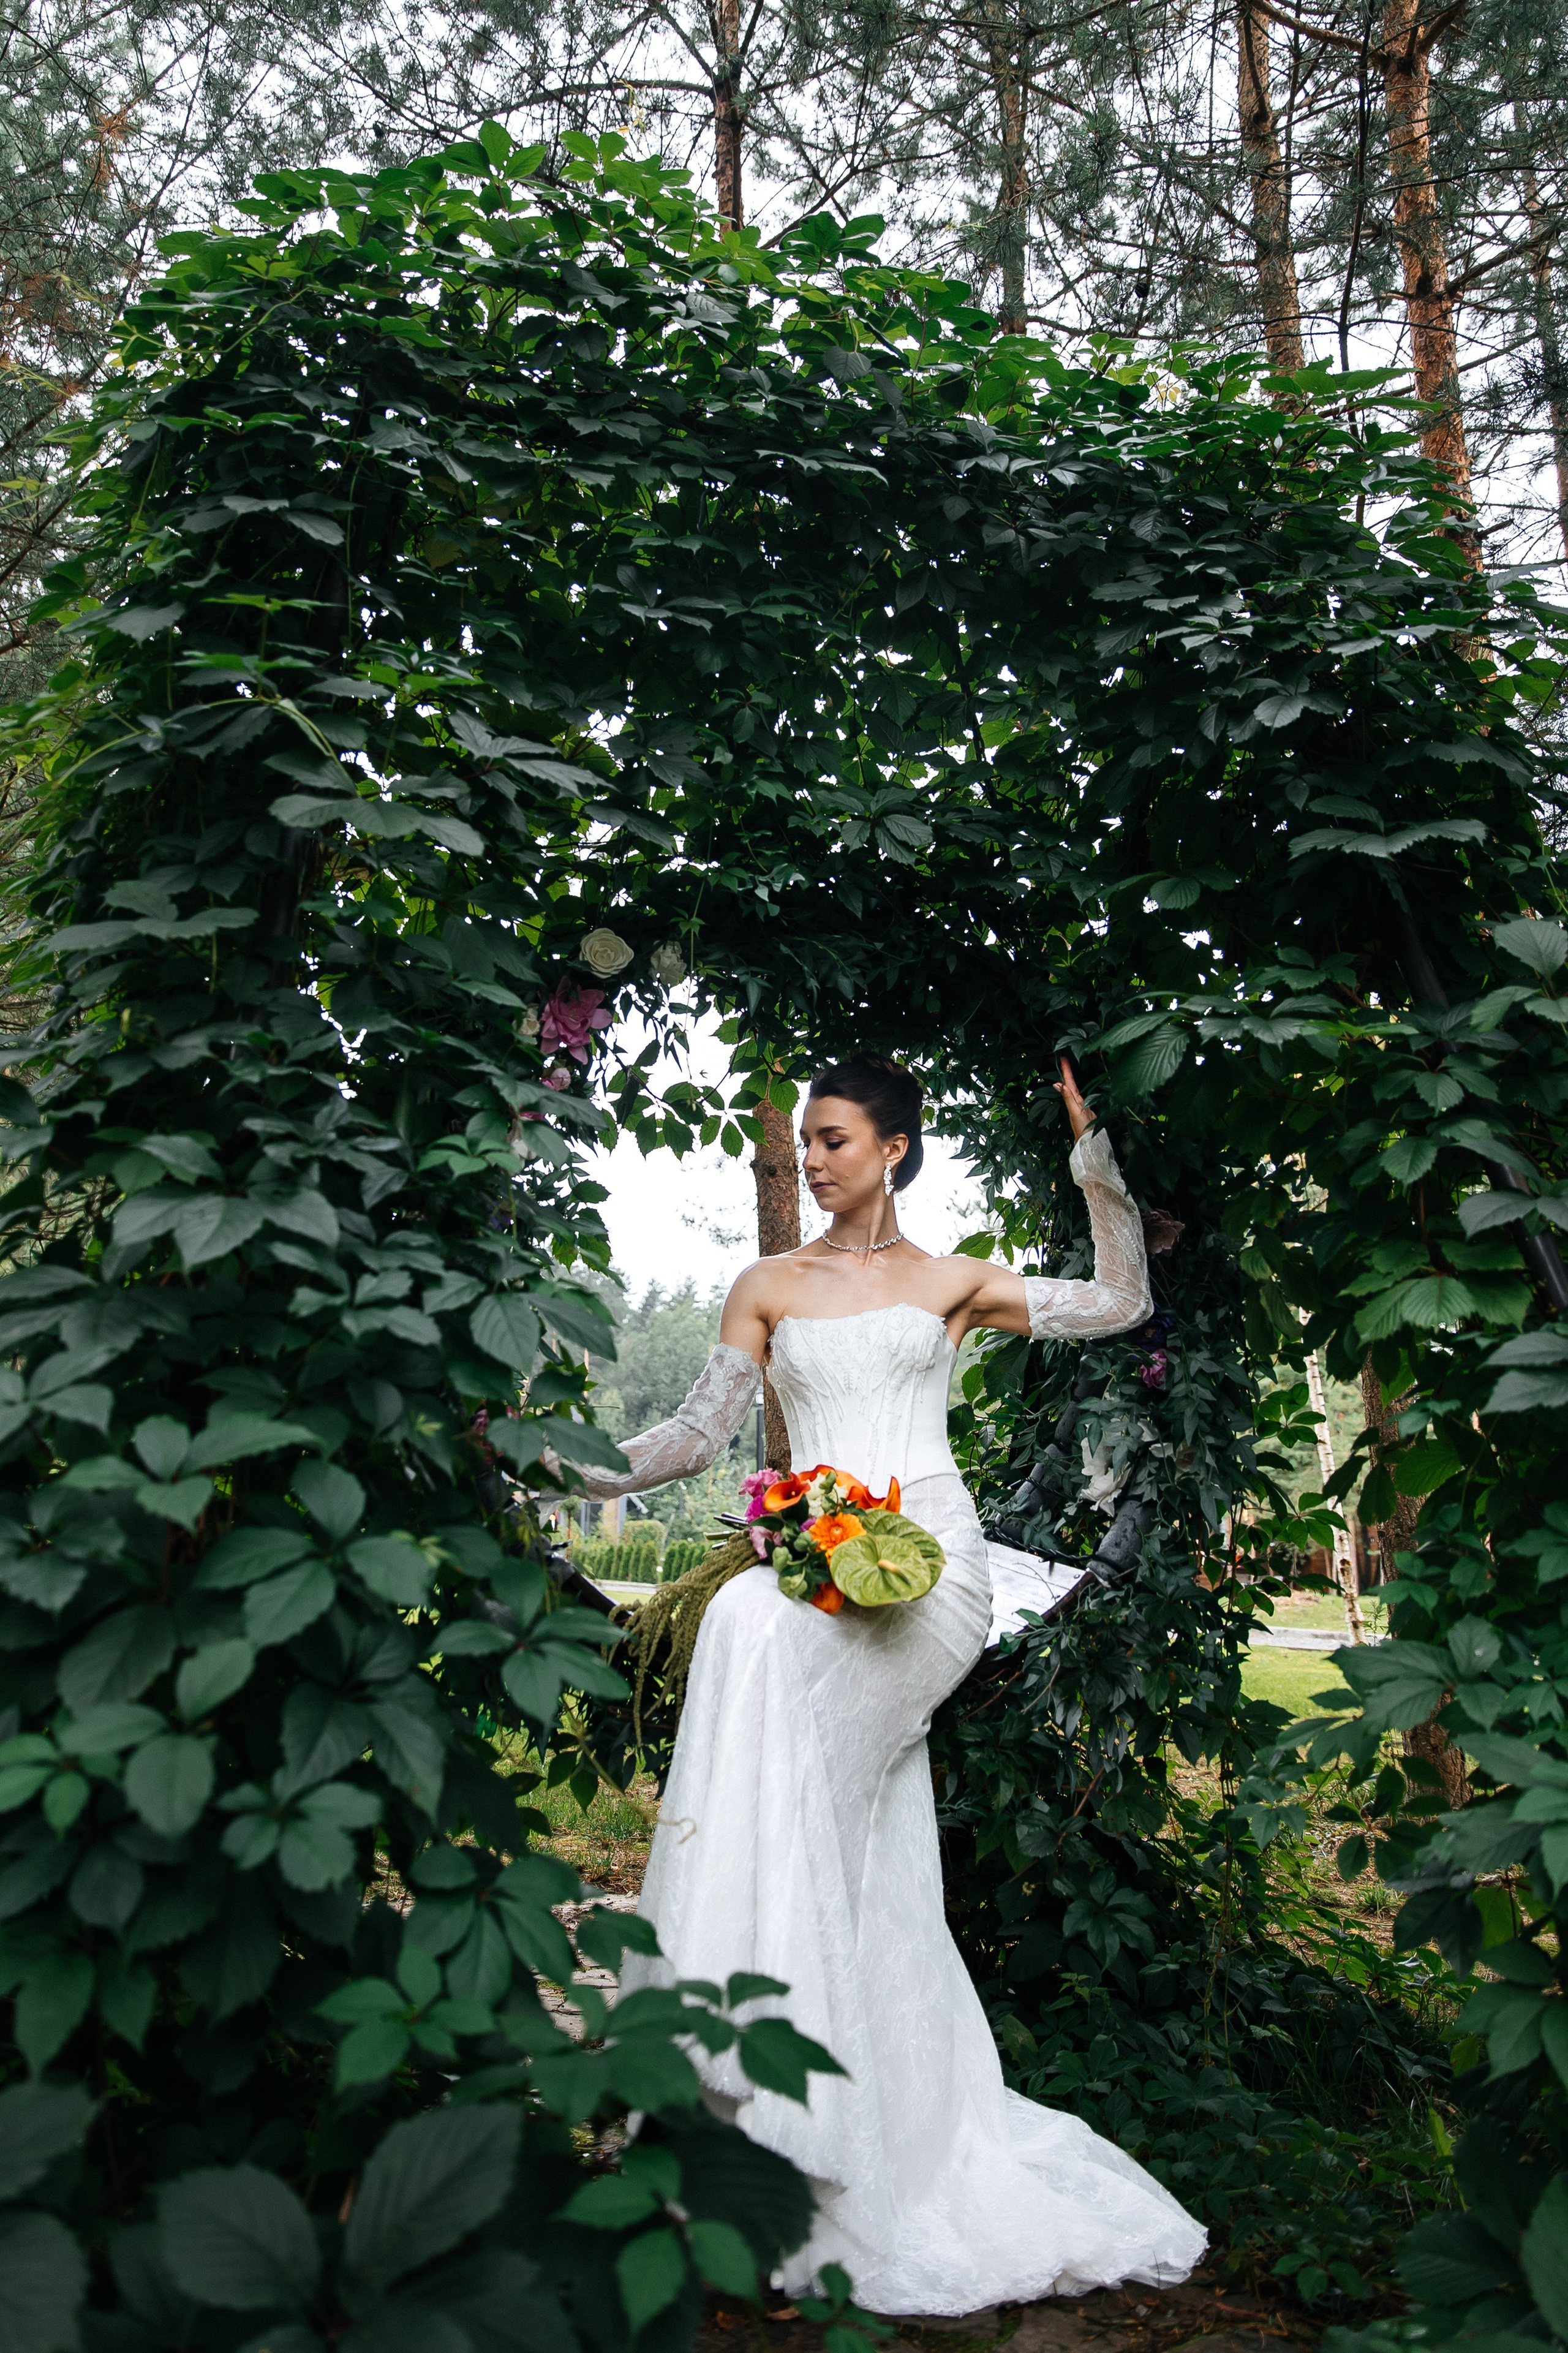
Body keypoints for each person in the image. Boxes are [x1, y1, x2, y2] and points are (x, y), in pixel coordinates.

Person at [572, 1055, 1205, 2316]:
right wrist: (571, 1462)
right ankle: (796, 2131)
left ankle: (776, 2114)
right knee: (759, 1650)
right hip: (813, 1558)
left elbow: (1122, 1299)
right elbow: (699, 1432)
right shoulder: (765, 1284)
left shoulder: (952, 1279)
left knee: (778, 1708)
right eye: (802, 1141)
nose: (810, 1159)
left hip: (930, 1570)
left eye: (834, 1139)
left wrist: (1094, 1164)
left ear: (895, 1148)